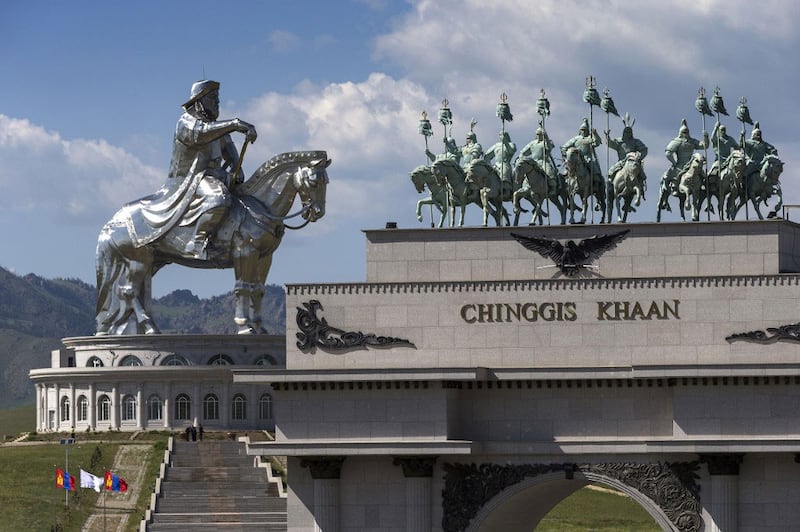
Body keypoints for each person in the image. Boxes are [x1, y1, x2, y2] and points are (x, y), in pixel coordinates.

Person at [131, 80, 258, 259]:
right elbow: (202, 133)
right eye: (213, 98)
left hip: (215, 175)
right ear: (199, 102)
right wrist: (235, 124)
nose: (217, 102)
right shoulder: (187, 123)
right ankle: (197, 243)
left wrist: (238, 167)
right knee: (218, 198)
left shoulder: (217, 128)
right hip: (192, 179)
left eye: (217, 98)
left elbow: (228, 148)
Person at [605, 117, 648, 190]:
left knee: (641, 175)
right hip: (621, 162)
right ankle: (610, 187)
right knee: (611, 172)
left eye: (629, 132)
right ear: (623, 132)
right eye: (626, 132)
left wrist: (639, 158)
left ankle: (640, 186)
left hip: (633, 161)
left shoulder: (635, 141)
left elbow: (644, 149)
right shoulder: (619, 141)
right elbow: (610, 144)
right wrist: (607, 137)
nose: (627, 133)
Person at [561, 118, 603, 184]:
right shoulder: (576, 138)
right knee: (568, 167)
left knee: (592, 165)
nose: (583, 131)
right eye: (582, 130)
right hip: (576, 158)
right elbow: (564, 147)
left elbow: (597, 142)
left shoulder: (590, 138)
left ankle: (596, 181)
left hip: (587, 157)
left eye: (585, 130)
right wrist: (566, 157)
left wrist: (595, 134)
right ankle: (566, 179)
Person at [517, 126, 558, 192]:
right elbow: (523, 152)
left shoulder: (545, 142)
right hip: (534, 162)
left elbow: (549, 148)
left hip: (543, 161)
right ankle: (524, 186)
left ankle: (553, 187)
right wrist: (522, 158)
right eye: (538, 134)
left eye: (540, 134)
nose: (539, 136)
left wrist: (546, 137)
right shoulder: (532, 143)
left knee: (549, 172)